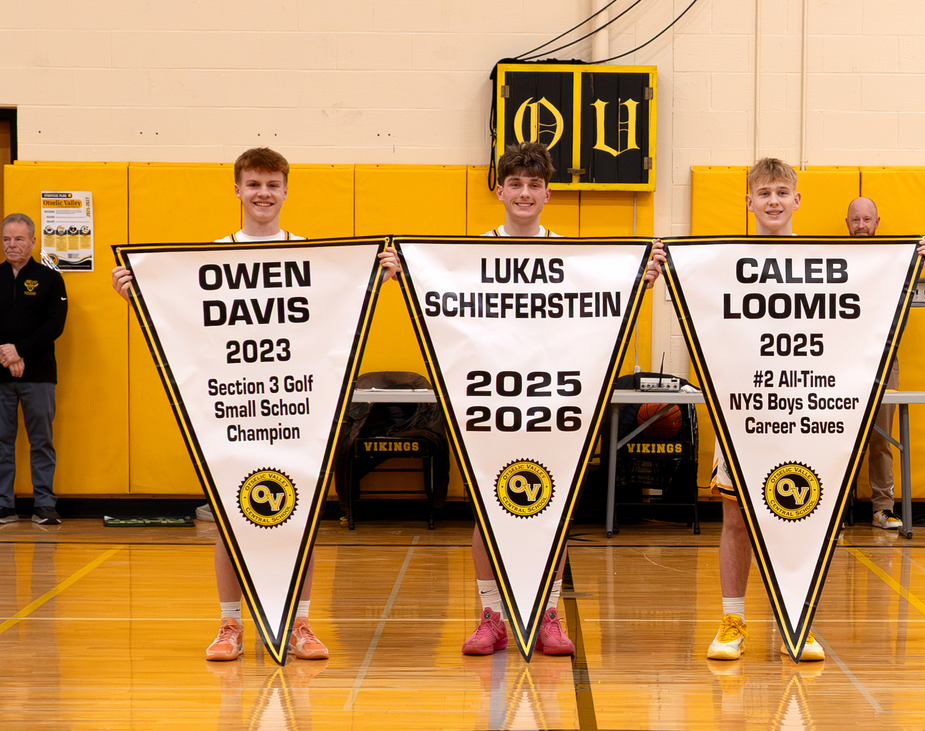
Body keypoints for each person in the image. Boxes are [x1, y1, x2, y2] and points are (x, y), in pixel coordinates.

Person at [112, 148, 401, 661]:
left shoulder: (311, 256)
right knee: (232, 517)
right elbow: (189, 320)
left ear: (287, 190)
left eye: (272, 184)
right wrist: (141, 293)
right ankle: (230, 624)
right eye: (253, 184)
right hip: (233, 410)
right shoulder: (214, 257)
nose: (263, 193)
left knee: (302, 520)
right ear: (238, 190)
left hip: (297, 410)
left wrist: (374, 278)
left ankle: (300, 623)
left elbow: (335, 309)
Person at [462, 142, 665, 655]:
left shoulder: (567, 256)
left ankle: (549, 613)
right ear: (499, 190)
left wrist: (639, 280)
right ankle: (492, 616)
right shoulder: (469, 254)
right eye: (516, 184)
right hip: (490, 398)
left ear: (547, 193)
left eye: (534, 185)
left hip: (554, 398)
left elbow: (601, 303)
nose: (524, 193)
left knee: (552, 505)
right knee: (489, 511)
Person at [705, 158, 825, 662]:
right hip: (743, 408)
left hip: (802, 406)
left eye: (782, 192)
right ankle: (732, 618)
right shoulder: (723, 260)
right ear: (749, 202)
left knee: (801, 516)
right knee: (736, 518)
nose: (773, 200)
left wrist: (910, 265)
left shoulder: (824, 263)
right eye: (763, 193)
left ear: (797, 200)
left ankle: (797, 621)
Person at [846, 197, 925, 530]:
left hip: (883, 360)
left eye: (867, 219)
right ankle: (838, 509)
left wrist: (922, 257)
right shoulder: (834, 259)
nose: (862, 226)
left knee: (881, 439)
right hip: (837, 360)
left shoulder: (894, 260)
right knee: (834, 434)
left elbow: (911, 275)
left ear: (877, 222)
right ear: (847, 223)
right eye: (856, 220)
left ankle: (882, 508)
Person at [0, 214, 68, 526]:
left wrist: (20, 350)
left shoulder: (50, 279)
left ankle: (44, 504)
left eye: (18, 239)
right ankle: (4, 505)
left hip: (39, 375)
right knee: (2, 441)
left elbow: (54, 324)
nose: (12, 245)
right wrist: (6, 353)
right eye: (6, 239)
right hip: (0, 375)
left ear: (32, 242)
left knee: (41, 440)